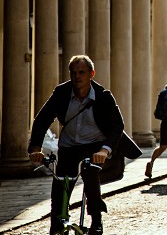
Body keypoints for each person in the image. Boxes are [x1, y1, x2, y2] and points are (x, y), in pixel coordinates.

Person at [28, 54, 138, 235]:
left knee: (90, 175)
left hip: (94, 145)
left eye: (81, 72)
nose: (77, 76)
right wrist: (35, 149)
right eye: (73, 73)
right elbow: (42, 119)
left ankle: (96, 219)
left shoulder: (103, 96)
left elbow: (117, 125)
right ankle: (57, 223)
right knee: (60, 184)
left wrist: (105, 150)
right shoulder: (62, 92)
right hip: (68, 145)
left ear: (91, 74)